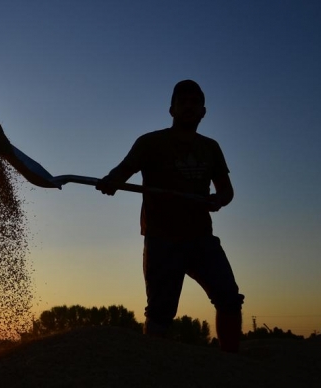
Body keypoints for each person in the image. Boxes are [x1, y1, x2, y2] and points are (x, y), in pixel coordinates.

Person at [95, 80, 244, 353]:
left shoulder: (210, 148)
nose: (189, 107)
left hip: (201, 238)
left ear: (203, 111)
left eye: (194, 103)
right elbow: (124, 169)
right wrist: (111, 181)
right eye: (182, 102)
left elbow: (226, 190)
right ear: (171, 110)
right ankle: (155, 368)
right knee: (160, 314)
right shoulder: (150, 143)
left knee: (229, 299)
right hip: (162, 239)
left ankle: (231, 361)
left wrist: (218, 200)